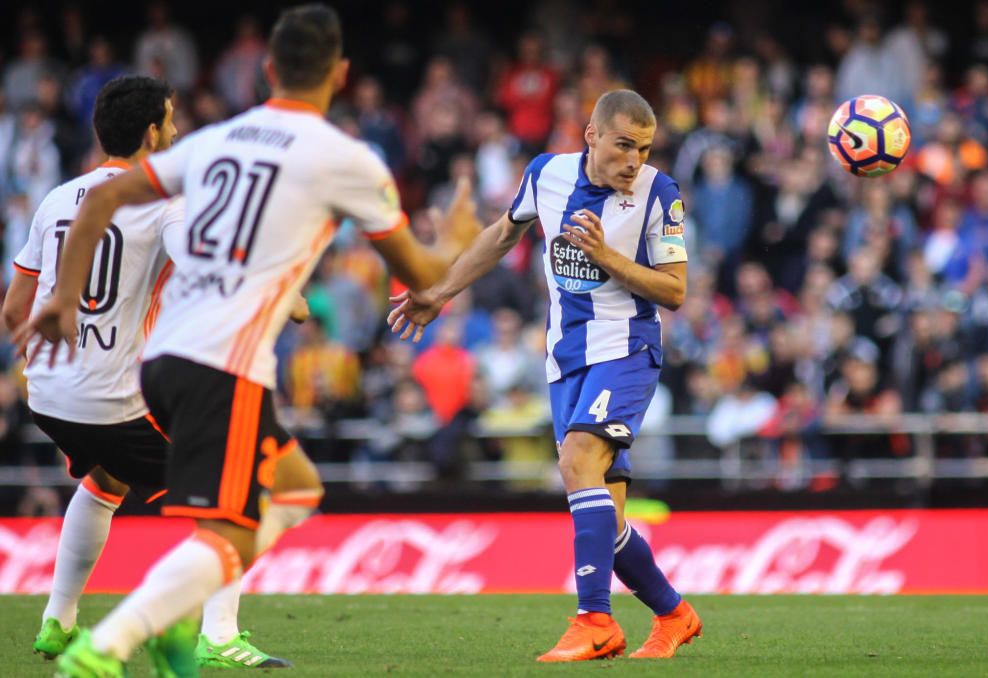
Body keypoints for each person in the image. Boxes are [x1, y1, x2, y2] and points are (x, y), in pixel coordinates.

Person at [19, 6, 480, 677]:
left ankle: (134, 625)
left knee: (293, 487)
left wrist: (61, 299)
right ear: (341, 74)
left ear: (267, 70)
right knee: (244, 513)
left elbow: (101, 203)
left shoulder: (215, 141)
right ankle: (140, 638)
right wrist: (458, 239)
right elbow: (421, 274)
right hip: (222, 363)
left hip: (165, 362)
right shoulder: (346, 158)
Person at [389, 89, 700, 662]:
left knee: (578, 459)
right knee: (606, 515)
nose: (634, 160)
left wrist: (610, 259)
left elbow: (676, 290)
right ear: (592, 136)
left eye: (645, 148)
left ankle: (595, 620)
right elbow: (503, 233)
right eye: (624, 145)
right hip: (565, 360)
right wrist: (439, 294)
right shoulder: (546, 174)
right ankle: (675, 613)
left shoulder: (661, 194)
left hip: (626, 350)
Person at [4, 75, 297, 671]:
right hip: (109, 398)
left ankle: (56, 623)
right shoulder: (161, 200)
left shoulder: (57, 197)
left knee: (107, 482)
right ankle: (217, 636)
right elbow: (211, 273)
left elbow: (14, 310)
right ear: (149, 135)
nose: (178, 130)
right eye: (171, 120)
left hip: (48, 392)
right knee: (234, 492)